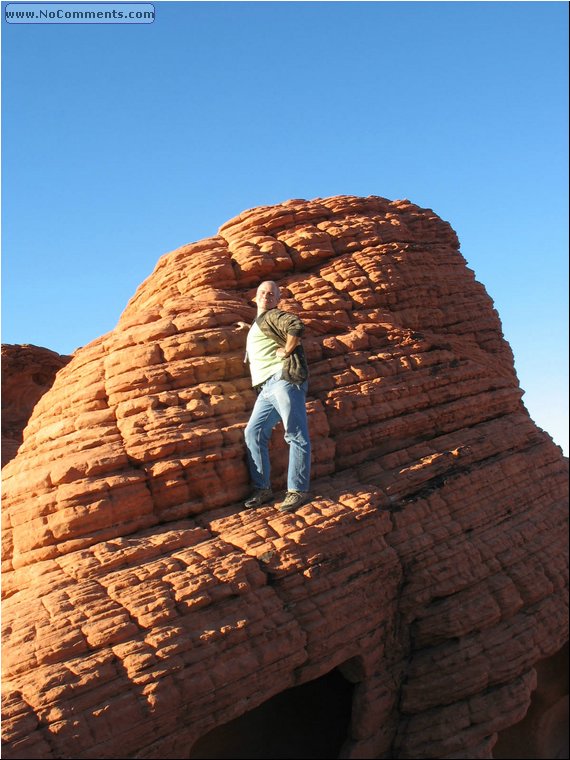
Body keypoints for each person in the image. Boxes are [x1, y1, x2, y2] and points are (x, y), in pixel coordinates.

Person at [238, 281, 311, 512]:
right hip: (265, 388)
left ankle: (297, 490)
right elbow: (262, 335)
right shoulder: (258, 322)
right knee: (253, 432)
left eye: (271, 294)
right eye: (262, 292)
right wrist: (246, 328)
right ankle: (263, 488)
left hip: (282, 379)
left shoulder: (273, 315)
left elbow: (295, 325)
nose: (266, 296)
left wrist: (287, 351)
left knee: (295, 433)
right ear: (255, 296)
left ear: (278, 299)